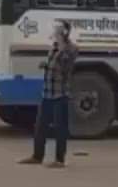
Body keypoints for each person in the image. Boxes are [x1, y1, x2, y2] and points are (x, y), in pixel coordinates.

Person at [20, 20, 78, 168]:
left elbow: (65, 67)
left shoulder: (71, 49)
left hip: (60, 93)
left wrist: (62, 48)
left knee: (60, 128)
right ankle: (37, 156)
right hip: (47, 92)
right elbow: (53, 64)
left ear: (64, 32)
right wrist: (45, 65)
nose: (54, 32)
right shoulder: (54, 47)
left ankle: (59, 160)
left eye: (58, 30)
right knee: (40, 126)